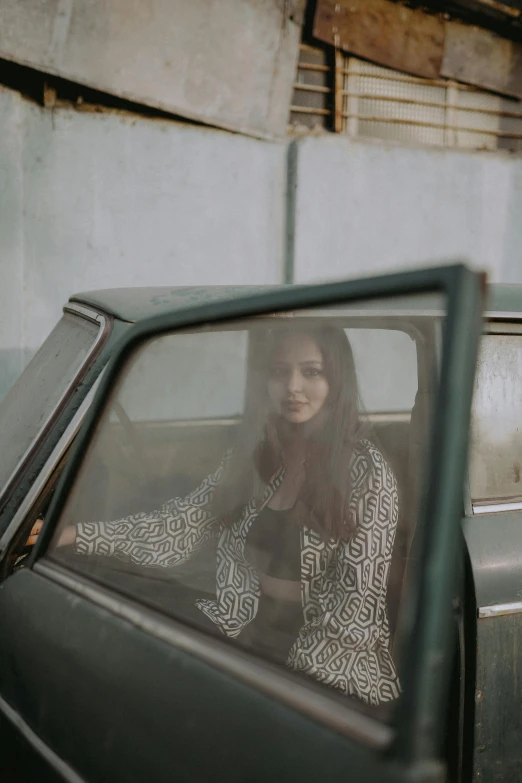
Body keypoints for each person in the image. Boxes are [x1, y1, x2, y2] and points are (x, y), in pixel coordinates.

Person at [42, 325, 400, 705]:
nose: (292, 386)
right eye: (280, 372)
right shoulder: (257, 454)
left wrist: (288, 691)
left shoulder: (367, 473)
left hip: (325, 658)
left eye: (311, 371)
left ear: (337, 380)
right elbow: (181, 523)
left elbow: (353, 606)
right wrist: (73, 534)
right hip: (238, 621)